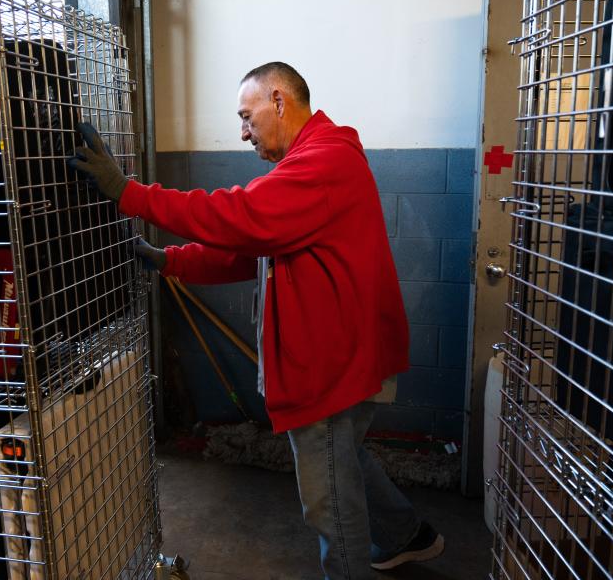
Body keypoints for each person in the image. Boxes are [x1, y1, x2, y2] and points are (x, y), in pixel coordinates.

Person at [70, 62, 444, 579]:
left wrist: (130, 193)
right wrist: (171, 260)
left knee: (329, 502)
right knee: (344, 459)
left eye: (246, 117)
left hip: (331, 369)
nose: (242, 132)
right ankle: (409, 535)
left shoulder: (324, 161)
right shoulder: (317, 160)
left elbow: (239, 216)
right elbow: (252, 250)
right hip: (346, 358)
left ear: (278, 101)